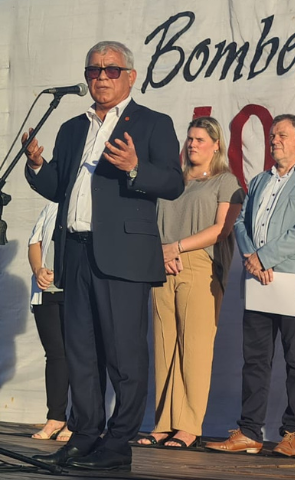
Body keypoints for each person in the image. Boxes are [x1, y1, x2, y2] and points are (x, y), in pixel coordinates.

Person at [22, 40, 184, 472]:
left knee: (124, 355)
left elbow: (172, 182)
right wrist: (37, 165)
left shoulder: (152, 123)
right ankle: (85, 435)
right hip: (74, 252)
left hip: (123, 256)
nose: (101, 77)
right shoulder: (73, 127)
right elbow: (58, 187)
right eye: (93, 70)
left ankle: (118, 444)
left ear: (130, 75)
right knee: (81, 352)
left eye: (111, 70)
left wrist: (134, 166)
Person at [204, 114, 295, 457]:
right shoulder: (260, 180)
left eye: (281, 135)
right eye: (273, 134)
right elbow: (242, 222)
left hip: (292, 281)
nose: (274, 140)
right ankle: (249, 431)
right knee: (255, 359)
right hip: (258, 279)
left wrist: (266, 257)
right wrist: (252, 257)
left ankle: (291, 433)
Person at [136, 116, 243, 449]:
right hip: (163, 264)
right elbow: (151, 221)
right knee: (165, 345)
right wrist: (162, 252)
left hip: (200, 264)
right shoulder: (174, 181)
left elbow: (221, 229)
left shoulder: (226, 181)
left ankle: (189, 425)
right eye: (190, 138)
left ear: (216, 145)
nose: (193, 144)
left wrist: (177, 246)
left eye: (200, 139)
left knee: (194, 347)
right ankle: (164, 422)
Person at [27, 202, 72, 443]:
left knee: (81, 355)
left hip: (77, 290)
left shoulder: (93, 201)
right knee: (55, 355)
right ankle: (56, 416)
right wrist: (38, 270)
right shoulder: (51, 205)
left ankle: (79, 420)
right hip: (47, 290)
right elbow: (35, 242)